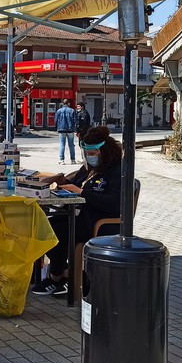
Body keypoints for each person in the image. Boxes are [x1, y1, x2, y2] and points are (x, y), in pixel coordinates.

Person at [31, 126, 122, 296]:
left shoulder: (117, 171)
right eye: (87, 153)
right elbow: (78, 183)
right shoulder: (90, 168)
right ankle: (60, 273)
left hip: (98, 221)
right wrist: (63, 181)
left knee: (59, 232)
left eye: (93, 153)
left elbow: (113, 203)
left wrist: (81, 192)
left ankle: (57, 277)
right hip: (80, 215)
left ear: (104, 151)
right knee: (44, 226)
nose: (89, 157)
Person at [55, 99, 77, 165]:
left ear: (63, 103)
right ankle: (73, 160)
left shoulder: (59, 111)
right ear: (68, 103)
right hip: (70, 129)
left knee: (62, 144)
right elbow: (75, 120)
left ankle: (62, 160)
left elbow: (55, 120)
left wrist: (57, 127)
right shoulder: (72, 110)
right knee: (71, 145)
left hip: (61, 129)